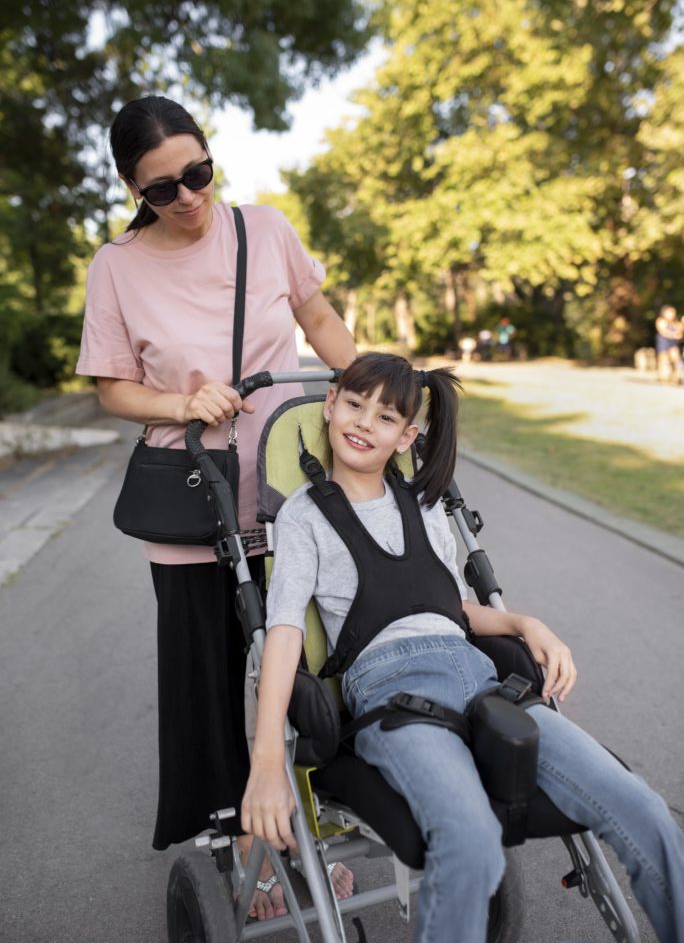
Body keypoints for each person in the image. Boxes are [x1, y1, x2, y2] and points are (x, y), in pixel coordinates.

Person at [242, 352, 684, 943]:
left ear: (407, 437)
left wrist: (527, 623)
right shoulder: (302, 518)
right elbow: (286, 635)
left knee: (647, 812)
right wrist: (267, 759)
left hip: (480, 681)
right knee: (470, 842)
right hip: (393, 696)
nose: (364, 422)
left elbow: (452, 609)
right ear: (329, 405)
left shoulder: (424, 507)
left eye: (385, 417)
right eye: (354, 404)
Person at [76, 95, 357, 918]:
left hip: (290, 488)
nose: (189, 196)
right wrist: (179, 405)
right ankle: (243, 836)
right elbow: (112, 389)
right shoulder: (115, 266)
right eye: (164, 188)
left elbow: (316, 316)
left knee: (308, 674)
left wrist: (378, 380)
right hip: (191, 504)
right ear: (133, 187)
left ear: (210, 158)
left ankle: (314, 825)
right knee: (206, 684)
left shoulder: (264, 230)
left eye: (198, 173)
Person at [655, 305, 683, 384]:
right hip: (663, 342)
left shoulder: (676, 323)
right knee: (663, 359)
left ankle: (675, 376)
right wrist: (674, 335)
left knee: (675, 358)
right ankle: (664, 376)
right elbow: (663, 332)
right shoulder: (661, 321)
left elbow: (680, 332)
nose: (672, 314)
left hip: (673, 343)